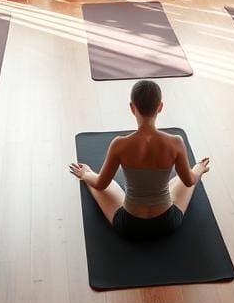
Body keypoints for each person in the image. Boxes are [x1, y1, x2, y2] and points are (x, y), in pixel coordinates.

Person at [68, 80, 209, 241]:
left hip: (129, 225)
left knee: (105, 183)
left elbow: (101, 184)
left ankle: (88, 175)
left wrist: (85, 174)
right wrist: (199, 169)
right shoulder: (175, 142)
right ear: (160, 107)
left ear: (132, 108)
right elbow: (190, 181)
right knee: (183, 179)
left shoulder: (119, 144)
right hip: (166, 223)